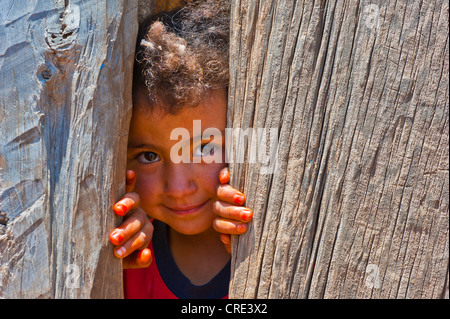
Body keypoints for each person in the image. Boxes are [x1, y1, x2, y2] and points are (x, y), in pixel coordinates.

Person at [108, 0, 253, 299]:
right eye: (149, 156)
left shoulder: (289, 246)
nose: (178, 188)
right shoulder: (126, 260)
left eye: (203, 148)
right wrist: (106, 273)